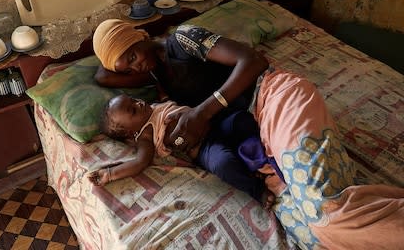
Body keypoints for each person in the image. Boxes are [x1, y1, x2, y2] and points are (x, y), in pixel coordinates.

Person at [92, 19, 404, 250]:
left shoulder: (184, 39)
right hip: (252, 139)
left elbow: (254, 61)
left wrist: (203, 113)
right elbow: (101, 75)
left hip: (273, 98)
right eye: (128, 69)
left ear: (137, 37)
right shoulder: (154, 75)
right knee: (315, 235)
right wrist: (121, 61)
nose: (135, 67)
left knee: (327, 212)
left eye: (133, 57)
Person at [87, 93, 276, 208]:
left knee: (241, 120)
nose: (138, 104)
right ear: (130, 132)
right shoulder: (145, 135)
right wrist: (110, 173)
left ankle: (268, 145)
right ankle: (257, 190)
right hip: (204, 147)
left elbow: (167, 100)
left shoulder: (153, 106)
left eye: (133, 100)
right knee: (224, 164)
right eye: (133, 110)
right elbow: (140, 162)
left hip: (214, 125)